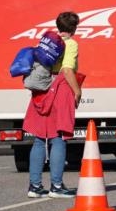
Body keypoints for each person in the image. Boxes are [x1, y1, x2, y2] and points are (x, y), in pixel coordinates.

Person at [24, 12, 83, 198]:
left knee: (40, 139)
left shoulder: (47, 42)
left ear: (58, 26)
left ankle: (34, 186)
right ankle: (56, 186)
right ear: (74, 28)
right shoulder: (71, 44)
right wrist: (77, 91)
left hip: (42, 88)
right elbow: (67, 70)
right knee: (58, 137)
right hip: (60, 88)